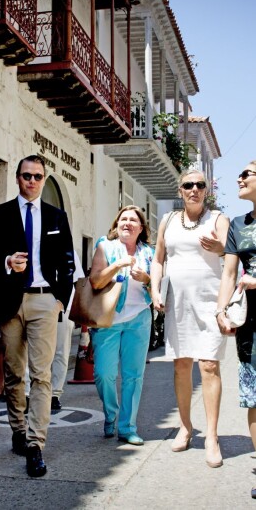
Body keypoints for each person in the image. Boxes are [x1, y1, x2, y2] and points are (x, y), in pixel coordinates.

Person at [0, 154, 75, 478]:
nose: (31, 181)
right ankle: (18, 430)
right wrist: (7, 262)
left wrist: (59, 300)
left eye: (37, 176)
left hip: (43, 301)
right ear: (17, 178)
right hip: (9, 301)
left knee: (41, 375)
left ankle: (36, 445)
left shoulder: (57, 217)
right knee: (14, 372)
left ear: (44, 179)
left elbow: (68, 262)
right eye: (26, 176)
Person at [150, 169, 229, 467]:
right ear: (180, 190)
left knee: (209, 365)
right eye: (188, 185)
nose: (194, 189)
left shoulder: (217, 219)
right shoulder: (169, 220)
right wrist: (155, 290)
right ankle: (185, 427)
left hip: (209, 302)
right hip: (177, 302)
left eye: (199, 185)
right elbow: (158, 260)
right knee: (182, 365)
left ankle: (211, 436)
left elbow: (230, 256)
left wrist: (221, 248)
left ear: (206, 189)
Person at [90, 205, 154, 446]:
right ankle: (110, 414)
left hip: (139, 320)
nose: (127, 223)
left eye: (133, 220)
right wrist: (118, 265)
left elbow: (158, 287)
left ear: (141, 227)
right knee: (104, 374)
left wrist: (146, 279)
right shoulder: (105, 246)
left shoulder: (149, 252)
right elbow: (95, 281)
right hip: (108, 320)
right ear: (117, 225)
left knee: (133, 376)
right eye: (123, 219)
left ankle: (128, 427)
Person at [215, 163, 256, 498]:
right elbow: (229, 273)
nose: (239, 178)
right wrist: (221, 309)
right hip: (250, 323)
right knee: (254, 397)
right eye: (238, 173)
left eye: (247, 173)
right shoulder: (239, 225)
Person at [51, 249, 85, 410]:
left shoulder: (68, 249)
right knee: (31, 350)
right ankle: (29, 392)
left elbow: (78, 280)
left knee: (61, 350)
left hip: (63, 305)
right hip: (36, 302)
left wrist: (77, 309)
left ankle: (54, 394)